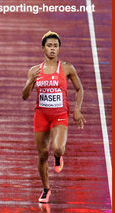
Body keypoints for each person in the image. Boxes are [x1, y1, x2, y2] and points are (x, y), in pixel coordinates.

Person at [22, 31, 85, 203]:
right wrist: (29, 83)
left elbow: (79, 89)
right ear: (43, 48)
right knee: (42, 154)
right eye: (49, 46)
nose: (52, 49)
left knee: (57, 148)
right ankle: (45, 189)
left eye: (55, 46)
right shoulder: (34, 71)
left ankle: (58, 156)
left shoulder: (66, 68)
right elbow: (25, 96)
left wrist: (77, 110)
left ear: (59, 49)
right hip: (41, 115)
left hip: (59, 115)